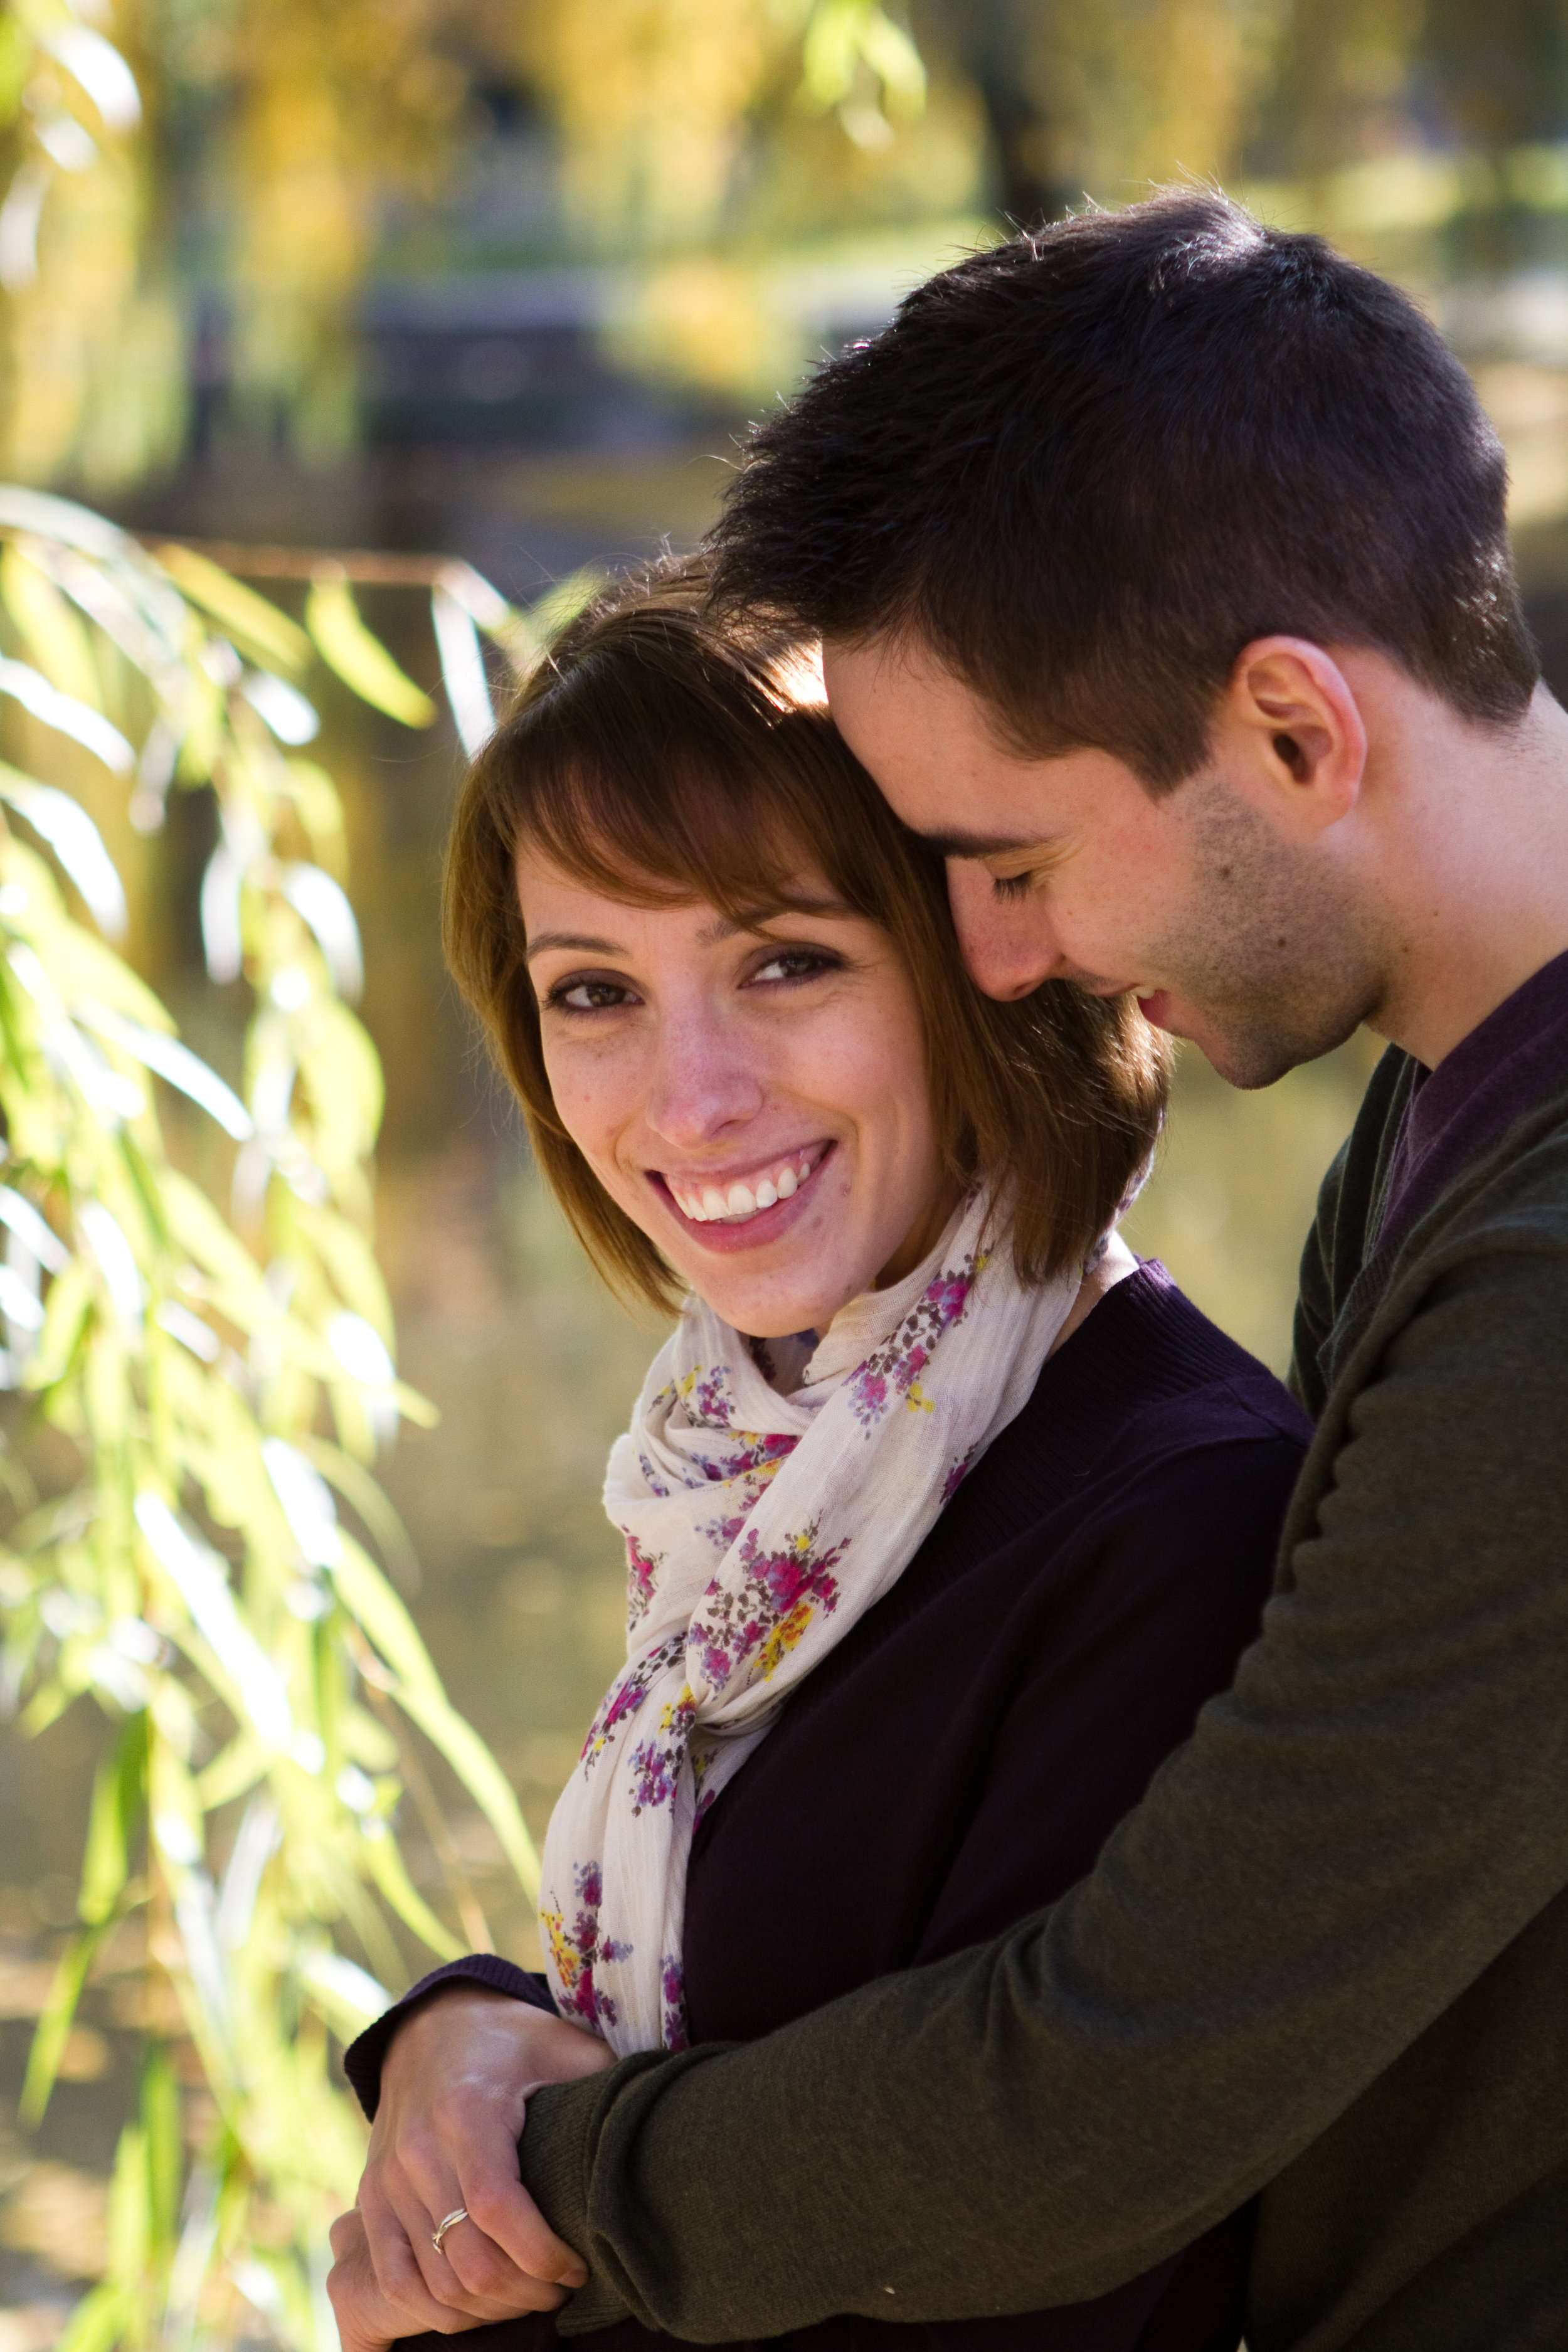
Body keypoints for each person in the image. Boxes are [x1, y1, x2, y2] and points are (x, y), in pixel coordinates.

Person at [329, 192, 1568, 2352]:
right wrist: (463, 2034)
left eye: (1005, 861)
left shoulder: (1507, 1287)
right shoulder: (1438, 1113)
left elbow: (1112, 2076)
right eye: (591, 992)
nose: (1000, 956)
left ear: (1291, 732)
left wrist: (529, 2185)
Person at [326, 560, 1314, 2352]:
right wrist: (451, 2040)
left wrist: (495, 2256)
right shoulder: (756, 1460)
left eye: (784, 962)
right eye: (593, 991)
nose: (683, 1100)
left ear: (990, 968)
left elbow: (1043, 2269)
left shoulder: (1178, 1518)